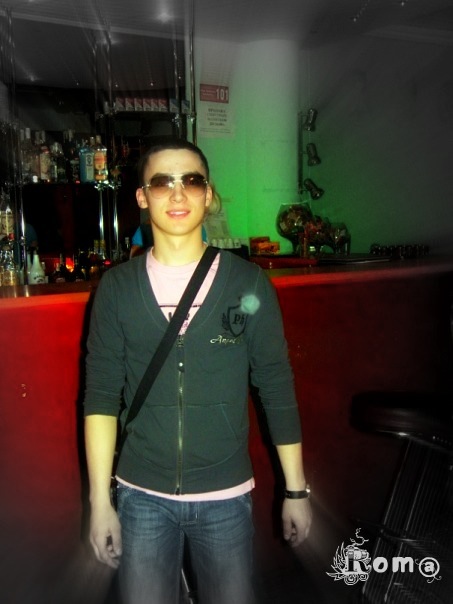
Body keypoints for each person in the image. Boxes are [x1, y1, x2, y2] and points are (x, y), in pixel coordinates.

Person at [83, 138, 312, 604]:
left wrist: (296, 490)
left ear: (208, 194)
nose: (178, 193)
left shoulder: (247, 283)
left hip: (225, 494)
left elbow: (276, 387)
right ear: (142, 197)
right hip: (140, 494)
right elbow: (102, 397)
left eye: (191, 181)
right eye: (161, 182)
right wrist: (99, 502)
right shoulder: (117, 289)